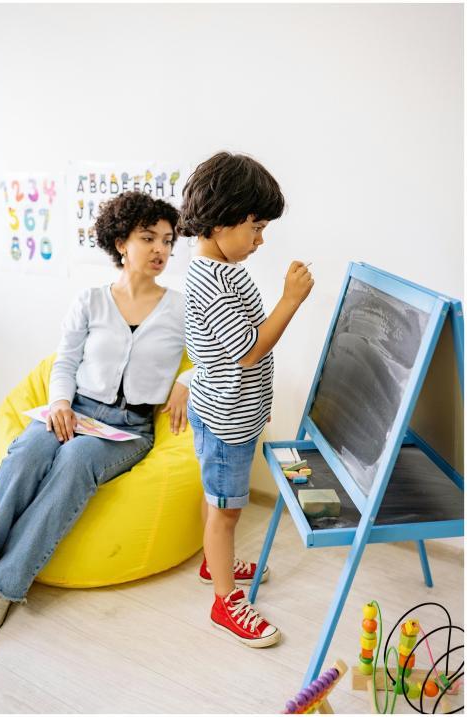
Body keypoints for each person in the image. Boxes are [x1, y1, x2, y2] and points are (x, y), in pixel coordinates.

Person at [0, 191, 193, 634]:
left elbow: (219, 355)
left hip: (127, 428)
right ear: (121, 242)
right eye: (148, 238)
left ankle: (4, 587)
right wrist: (60, 402)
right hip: (76, 409)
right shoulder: (90, 301)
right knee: (27, 451)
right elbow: (64, 361)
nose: (161, 249)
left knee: (75, 460)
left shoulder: (181, 308)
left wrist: (183, 382)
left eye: (167, 240)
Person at [178, 151, 315, 647]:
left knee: (218, 500)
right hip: (224, 421)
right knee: (226, 509)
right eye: (255, 227)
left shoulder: (224, 270)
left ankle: (214, 562)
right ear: (220, 224)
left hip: (229, 411)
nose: (261, 239)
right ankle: (224, 599)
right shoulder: (210, 282)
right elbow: (250, 350)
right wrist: (291, 300)